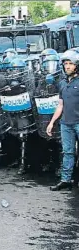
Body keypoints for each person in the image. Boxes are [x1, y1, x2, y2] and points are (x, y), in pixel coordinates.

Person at [47, 51, 79, 191]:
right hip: (66, 123)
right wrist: (52, 122)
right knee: (68, 152)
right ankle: (65, 180)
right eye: (65, 64)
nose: (67, 66)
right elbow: (61, 105)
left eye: (70, 64)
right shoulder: (62, 83)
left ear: (76, 65)